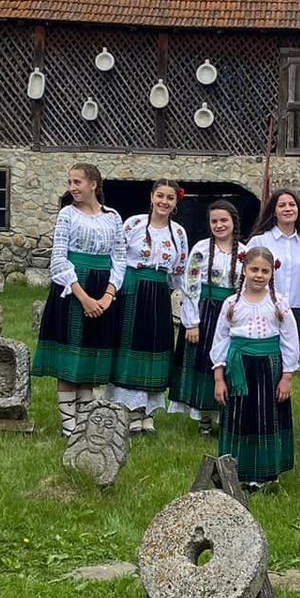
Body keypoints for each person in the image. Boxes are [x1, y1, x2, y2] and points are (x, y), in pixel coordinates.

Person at [37, 163, 125, 437]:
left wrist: (108, 295)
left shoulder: (113, 217)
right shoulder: (67, 215)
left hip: (103, 291)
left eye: (78, 182)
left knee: (90, 359)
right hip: (73, 290)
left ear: (93, 184)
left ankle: (85, 423)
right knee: (70, 359)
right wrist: (84, 297)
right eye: (70, 182)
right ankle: (69, 426)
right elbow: (59, 259)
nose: (73, 187)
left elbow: (119, 258)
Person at [211, 246, 300, 490]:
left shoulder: (278, 304)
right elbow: (220, 340)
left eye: (265, 271)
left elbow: (290, 340)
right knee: (240, 418)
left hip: (269, 368)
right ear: (244, 269)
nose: (259, 275)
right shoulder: (232, 303)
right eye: (254, 269)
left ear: (273, 273)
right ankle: (236, 471)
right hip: (239, 367)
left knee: (265, 417)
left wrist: (287, 377)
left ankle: (265, 473)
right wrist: (219, 378)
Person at [112, 180, 188, 433]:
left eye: (170, 198)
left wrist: (185, 301)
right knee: (131, 345)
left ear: (176, 202)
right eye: (160, 196)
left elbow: (179, 271)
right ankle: (131, 411)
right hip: (133, 288)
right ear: (152, 197)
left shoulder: (178, 233)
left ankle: (148, 412)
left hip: (158, 292)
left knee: (155, 347)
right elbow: (118, 257)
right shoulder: (133, 224)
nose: (164, 202)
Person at [170, 197, 243, 435]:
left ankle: (225, 417)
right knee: (204, 363)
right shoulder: (201, 249)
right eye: (214, 221)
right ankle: (203, 417)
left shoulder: (245, 253)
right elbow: (190, 287)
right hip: (206, 312)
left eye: (224, 220)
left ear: (234, 222)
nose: (219, 225)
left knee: (228, 364)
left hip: (231, 314)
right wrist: (191, 323)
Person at [245, 189, 300, 336]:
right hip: (265, 306)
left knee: (291, 355)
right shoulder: (260, 241)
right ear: (274, 212)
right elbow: (244, 276)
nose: (288, 209)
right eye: (282, 205)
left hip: (295, 309)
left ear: (298, 210)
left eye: (292, 205)